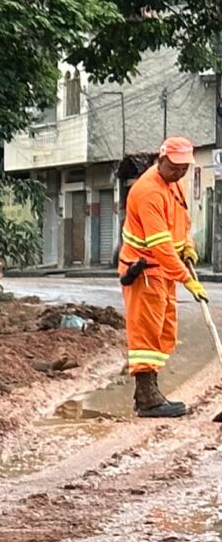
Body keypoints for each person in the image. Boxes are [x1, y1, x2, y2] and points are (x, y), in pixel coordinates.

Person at [118, 136, 206, 419]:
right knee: (145, 332)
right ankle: (147, 399)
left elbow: (182, 223)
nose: (180, 172)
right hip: (143, 269)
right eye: (175, 167)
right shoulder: (148, 191)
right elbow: (160, 245)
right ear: (161, 160)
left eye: (184, 167)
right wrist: (187, 279)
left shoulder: (174, 186)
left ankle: (148, 393)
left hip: (161, 271)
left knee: (161, 331)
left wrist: (188, 250)